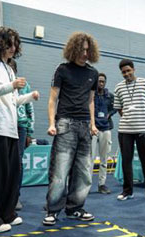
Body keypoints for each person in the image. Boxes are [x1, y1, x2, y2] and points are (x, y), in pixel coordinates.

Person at [0, 27, 39, 233]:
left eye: (15, 43)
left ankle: (6, 214)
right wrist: (11, 86)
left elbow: (11, 102)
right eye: (10, 43)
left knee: (11, 175)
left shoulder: (8, 68)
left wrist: (29, 97)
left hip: (10, 130)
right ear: (1, 42)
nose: (14, 47)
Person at [43, 32, 100, 226]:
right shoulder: (62, 70)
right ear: (73, 49)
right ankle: (52, 210)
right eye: (82, 49)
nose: (85, 53)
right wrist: (52, 123)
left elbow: (91, 101)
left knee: (84, 171)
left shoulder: (93, 73)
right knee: (60, 171)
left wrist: (92, 124)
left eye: (87, 49)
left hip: (85, 125)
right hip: (65, 123)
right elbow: (53, 99)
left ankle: (75, 208)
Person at [113, 58, 145, 201]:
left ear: (134, 69)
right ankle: (127, 191)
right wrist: (129, 118)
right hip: (125, 130)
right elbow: (119, 108)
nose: (126, 74)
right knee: (126, 161)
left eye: (128, 71)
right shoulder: (118, 87)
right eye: (123, 72)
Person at [8, 59, 33, 211]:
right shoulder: (1, 85)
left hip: (21, 127)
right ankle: (1, 195)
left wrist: (30, 131)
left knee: (17, 162)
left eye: (12, 68)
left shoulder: (25, 85)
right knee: (3, 162)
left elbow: (30, 109)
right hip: (4, 127)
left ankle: (15, 196)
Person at [91, 72, 116, 194]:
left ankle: (102, 184)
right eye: (99, 81)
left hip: (106, 129)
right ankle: (87, 184)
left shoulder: (109, 96)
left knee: (104, 158)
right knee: (89, 159)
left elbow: (116, 106)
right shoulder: (91, 95)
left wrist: (109, 114)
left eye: (103, 81)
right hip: (93, 129)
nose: (101, 83)